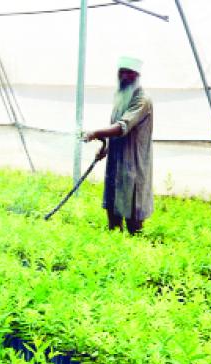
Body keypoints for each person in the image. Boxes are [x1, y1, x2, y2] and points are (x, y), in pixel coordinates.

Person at [83, 56, 154, 235]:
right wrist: (104, 145)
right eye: (121, 72)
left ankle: (135, 253)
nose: (124, 76)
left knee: (133, 217)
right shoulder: (121, 98)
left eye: (129, 73)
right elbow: (115, 128)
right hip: (116, 162)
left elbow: (123, 126)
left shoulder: (142, 100)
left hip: (134, 165)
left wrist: (95, 133)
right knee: (113, 214)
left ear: (137, 75)